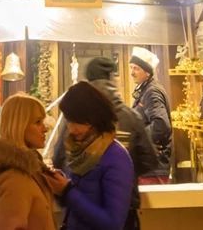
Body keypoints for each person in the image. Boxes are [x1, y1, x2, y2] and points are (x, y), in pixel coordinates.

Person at [53, 58, 157, 182]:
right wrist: (125, 173)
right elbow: (149, 161)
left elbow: (59, 158)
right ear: (112, 79)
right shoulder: (130, 117)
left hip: (81, 194)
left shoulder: (75, 116)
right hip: (124, 193)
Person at [47, 82, 134, 230]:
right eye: (69, 121)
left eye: (78, 122)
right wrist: (59, 187)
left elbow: (113, 223)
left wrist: (68, 191)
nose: (72, 129)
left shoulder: (116, 157)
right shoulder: (78, 152)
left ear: (94, 118)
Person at [0, 93, 56, 230]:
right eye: (38, 122)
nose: (45, 128)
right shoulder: (16, 178)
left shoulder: (28, 171)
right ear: (20, 125)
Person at [127, 48, 170, 183]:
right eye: (131, 68)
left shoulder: (152, 93)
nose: (132, 72)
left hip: (154, 168)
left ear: (147, 72)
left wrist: (138, 139)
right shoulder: (145, 90)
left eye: (136, 69)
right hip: (149, 166)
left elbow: (161, 125)